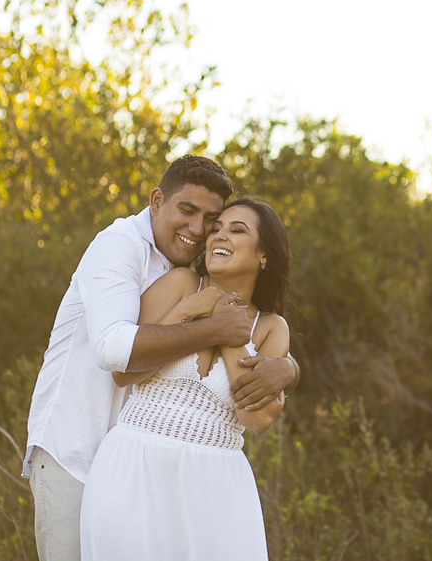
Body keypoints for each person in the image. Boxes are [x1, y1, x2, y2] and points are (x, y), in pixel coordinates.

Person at [24, 157, 299, 561]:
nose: (202, 230)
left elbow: (257, 415)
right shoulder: (122, 248)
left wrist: (288, 368)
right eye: (189, 212)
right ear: (157, 201)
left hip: (204, 483)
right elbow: (116, 355)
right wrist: (211, 320)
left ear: (263, 255)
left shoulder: (195, 274)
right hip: (78, 450)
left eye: (213, 219)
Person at [79, 196, 292, 560]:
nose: (218, 237)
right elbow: (123, 371)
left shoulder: (272, 328)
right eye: (217, 229)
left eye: (236, 230)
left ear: (264, 256)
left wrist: (230, 331)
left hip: (217, 487)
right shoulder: (179, 284)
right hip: (133, 467)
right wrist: (190, 310)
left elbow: (256, 419)